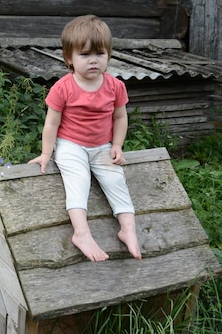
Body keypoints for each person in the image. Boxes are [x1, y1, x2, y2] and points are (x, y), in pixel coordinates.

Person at [28, 15, 142, 261]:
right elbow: (52, 123)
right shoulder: (63, 87)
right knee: (78, 180)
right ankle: (81, 233)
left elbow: (120, 118)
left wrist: (118, 146)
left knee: (116, 179)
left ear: (108, 55)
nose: (93, 60)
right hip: (71, 145)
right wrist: (47, 153)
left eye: (100, 54)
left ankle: (128, 229)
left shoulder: (115, 86)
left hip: (101, 146)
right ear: (69, 58)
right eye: (85, 55)